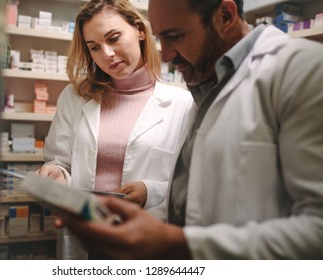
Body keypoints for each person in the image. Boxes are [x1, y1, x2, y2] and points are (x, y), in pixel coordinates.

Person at [59, 0, 323, 259]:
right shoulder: (206, 87)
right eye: (161, 38)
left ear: (226, 15)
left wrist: (181, 244)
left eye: (175, 36)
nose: (166, 55)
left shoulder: (305, 70)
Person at [38, 0, 193, 259]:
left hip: (143, 240)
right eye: (95, 47)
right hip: (85, 235)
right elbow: (60, 161)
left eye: (114, 38)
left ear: (140, 31)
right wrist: (56, 173)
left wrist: (149, 191)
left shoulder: (183, 104)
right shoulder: (74, 97)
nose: (106, 54)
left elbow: (190, 184)